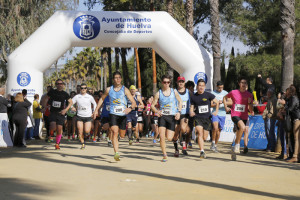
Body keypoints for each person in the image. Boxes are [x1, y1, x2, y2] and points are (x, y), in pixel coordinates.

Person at [93, 71, 136, 161]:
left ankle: (109, 124)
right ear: (113, 79)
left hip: (123, 115)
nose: (118, 79)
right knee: (114, 132)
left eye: (119, 77)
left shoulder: (125, 89)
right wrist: (96, 109)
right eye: (116, 78)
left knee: (122, 135)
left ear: (121, 79)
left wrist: (130, 108)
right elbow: (102, 99)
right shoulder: (109, 89)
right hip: (113, 114)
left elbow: (133, 102)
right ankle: (116, 153)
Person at [151, 74, 182, 162]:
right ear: (162, 83)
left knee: (169, 138)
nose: (166, 84)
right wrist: (157, 111)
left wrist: (179, 112)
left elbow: (180, 101)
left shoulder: (174, 91)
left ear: (170, 83)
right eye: (164, 82)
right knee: (161, 136)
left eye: (168, 82)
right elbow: (152, 106)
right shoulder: (158, 93)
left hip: (171, 116)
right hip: (162, 116)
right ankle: (164, 155)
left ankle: (174, 143)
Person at [224, 77, 254, 161]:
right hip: (235, 115)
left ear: (246, 85)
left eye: (245, 83)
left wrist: (250, 104)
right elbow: (224, 98)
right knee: (243, 128)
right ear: (239, 84)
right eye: (242, 83)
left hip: (244, 116)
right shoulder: (234, 92)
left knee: (238, 132)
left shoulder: (249, 95)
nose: (243, 84)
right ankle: (237, 145)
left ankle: (233, 150)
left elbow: (250, 108)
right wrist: (226, 107)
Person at [189, 79, 219, 159]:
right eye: (200, 85)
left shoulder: (208, 95)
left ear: (205, 87)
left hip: (207, 118)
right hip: (198, 118)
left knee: (205, 137)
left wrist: (216, 111)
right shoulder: (193, 97)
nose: (201, 87)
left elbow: (217, 102)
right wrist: (191, 112)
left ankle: (198, 138)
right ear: (197, 86)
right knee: (200, 132)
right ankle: (202, 151)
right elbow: (192, 107)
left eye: (202, 86)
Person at [42, 79, 72, 150]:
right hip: (53, 112)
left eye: (61, 83)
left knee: (59, 129)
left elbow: (71, 102)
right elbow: (45, 98)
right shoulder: (52, 92)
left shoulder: (65, 94)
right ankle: (51, 134)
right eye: (58, 84)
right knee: (53, 126)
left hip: (61, 113)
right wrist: (44, 106)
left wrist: (66, 110)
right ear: (56, 85)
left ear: (63, 85)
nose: (59, 85)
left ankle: (57, 144)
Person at [72, 83, 97, 149]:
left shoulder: (89, 97)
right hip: (79, 116)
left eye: (85, 88)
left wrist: (94, 112)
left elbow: (95, 104)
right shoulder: (77, 96)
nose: (83, 89)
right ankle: (83, 143)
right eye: (82, 88)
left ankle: (86, 134)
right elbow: (70, 102)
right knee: (80, 131)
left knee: (86, 130)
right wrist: (72, 107)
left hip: (88, 116)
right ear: (80, 89)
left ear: (86, 89)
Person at [175, 76, 192, 155]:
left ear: (184, 83)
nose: (180, 83)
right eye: (179, 81)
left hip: (185, 113)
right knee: (175, 133)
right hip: (175, 114)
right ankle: (176, 148)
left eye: (182, 81)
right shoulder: (174, 91)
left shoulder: (188, 92)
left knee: (183, 129)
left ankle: (184, 147)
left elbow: (193, 101)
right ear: (177, 82)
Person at [210, 81, 229, 153]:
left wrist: (224, 102)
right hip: (215, 113)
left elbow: (230, 102)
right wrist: (217, 103)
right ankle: (213, 142)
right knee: (215, 128)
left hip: (223, 114)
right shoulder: (213, 93)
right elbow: (210, 104)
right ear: (216, 86)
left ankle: (215, 145)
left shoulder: (226, 93)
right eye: (219, 88)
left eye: (221, 88)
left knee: (218, 131)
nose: (220, 89)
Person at [285, 85, 300, 163]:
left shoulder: (294, 98)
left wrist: (285, 106)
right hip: (295, 119)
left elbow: (290, 109)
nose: (286, 92)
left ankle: (295, 156)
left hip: (297, 120)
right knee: (295, 138)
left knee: (296, 138)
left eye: (288, 91)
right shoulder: (292, 98)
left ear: (290, 91)